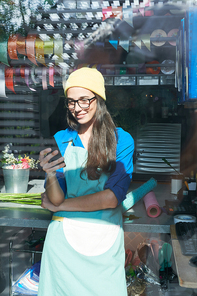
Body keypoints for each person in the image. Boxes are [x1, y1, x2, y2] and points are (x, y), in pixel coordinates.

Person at [38, 67, 134, 296]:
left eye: (84, 100)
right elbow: (56, 196)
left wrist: (60, 206)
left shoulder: (121, 140)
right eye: (71, 102)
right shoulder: (64, 140)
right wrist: (50, 174)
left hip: (104, 241)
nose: (77, 108)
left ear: (98, 99)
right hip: (63, 246)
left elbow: (111, 199)